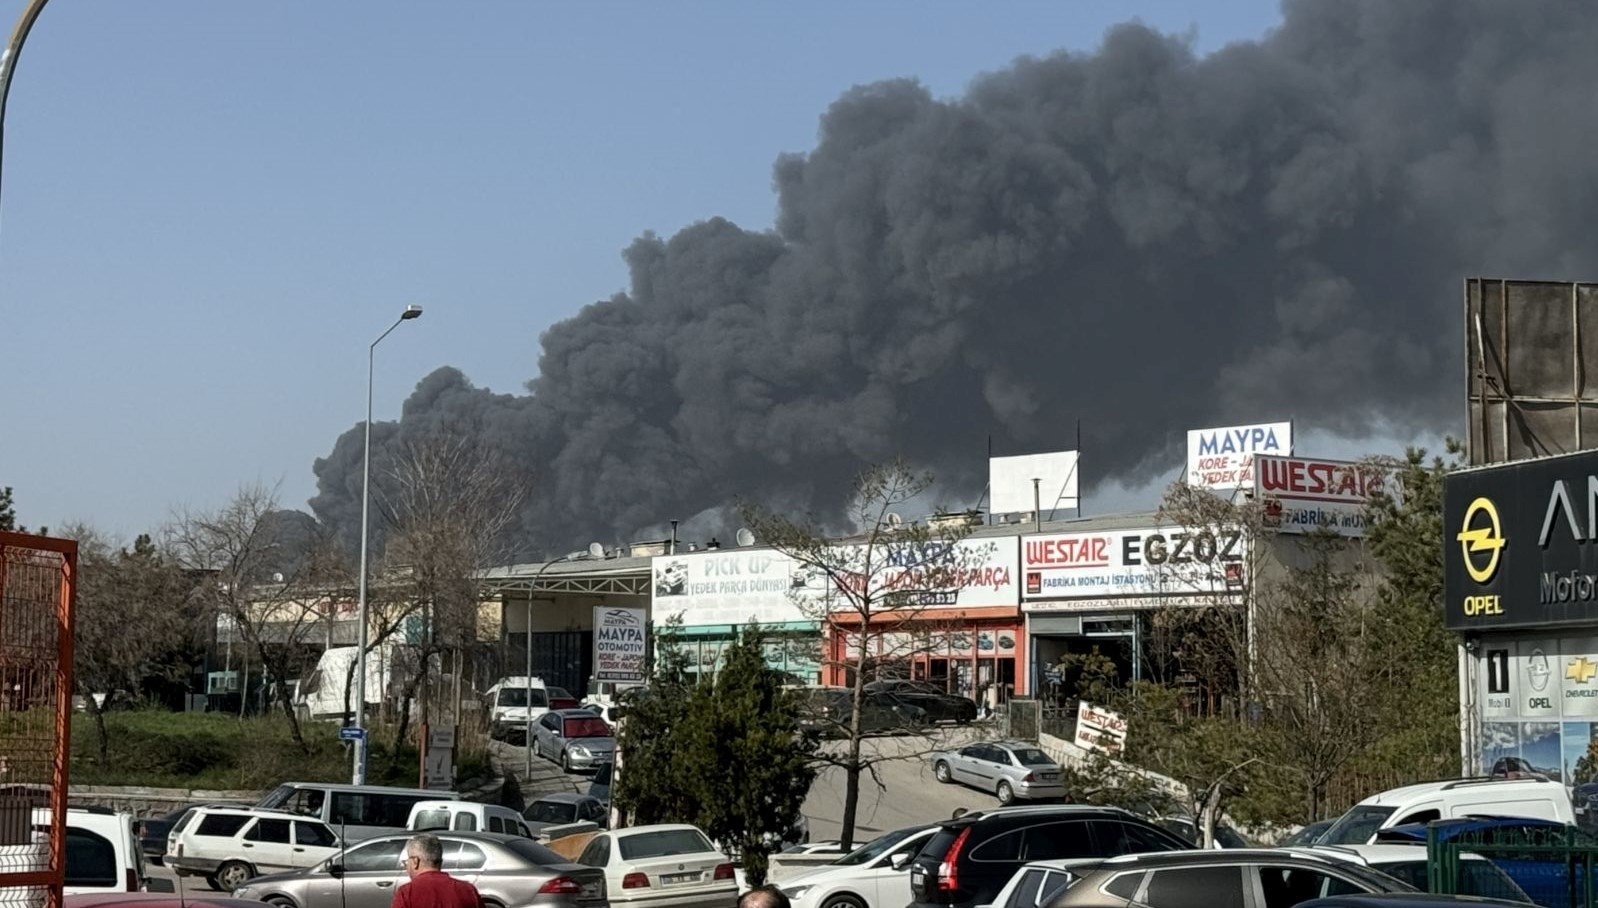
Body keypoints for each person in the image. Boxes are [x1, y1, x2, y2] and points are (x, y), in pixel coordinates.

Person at [393, 833, 483, 908]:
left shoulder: (407, 893)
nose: (406, 865)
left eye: (407, 861)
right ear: (440, 861)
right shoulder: (468, 890)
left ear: (415, 861)